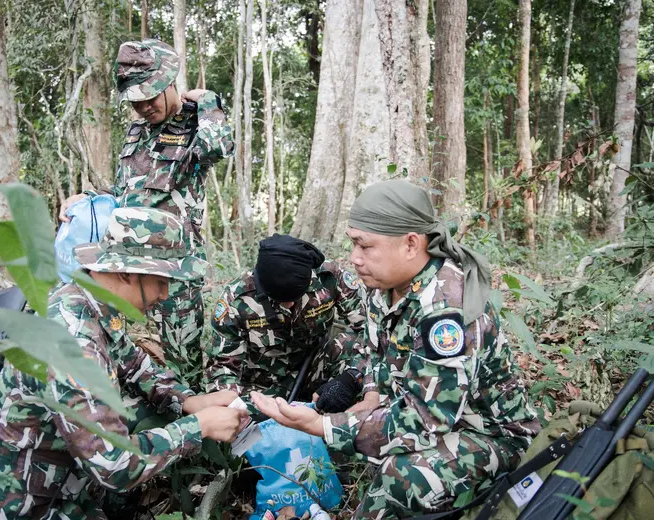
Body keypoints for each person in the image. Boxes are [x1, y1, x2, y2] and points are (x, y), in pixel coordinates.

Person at [250, 180, 541, 519]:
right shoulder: (383, 288)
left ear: (410, 244)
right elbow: (376, 358)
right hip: (434, 416)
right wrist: (370, 398)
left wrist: (320, 426)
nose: (354, 259)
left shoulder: (445, 311)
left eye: (365, 246)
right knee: (363, 435)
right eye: (352, 244)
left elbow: (424, 423)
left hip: (489, 434)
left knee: (400, 475)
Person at [0, 207, 247, 520]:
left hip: (63, 476)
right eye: (161, 281)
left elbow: (133, 362)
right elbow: (114, 464)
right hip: (23, 499)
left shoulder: (89, 300)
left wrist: (190, 400)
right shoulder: (72, 342)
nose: (165, 294)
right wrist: (200, 426)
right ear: (126, 273)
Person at [59, 39, 234, 366]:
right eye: (135, 101)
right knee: (112, 347)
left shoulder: (195, 123)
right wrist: (90, 199)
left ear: (169, 82)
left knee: (183, 361)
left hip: (172, 269)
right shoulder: (136, 130)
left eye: (149, 97)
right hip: (125, 268)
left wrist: (209, 101)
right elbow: (126, 190)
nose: (143, 107)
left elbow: (218, 148)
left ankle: (191, 409)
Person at [205, 234, 365, 402]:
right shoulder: (235, 300)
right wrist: (237, 407)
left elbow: (370, 329)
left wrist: (350, 378)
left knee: (348, 345)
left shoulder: (329, 277)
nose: (288, 305)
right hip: (261, 389)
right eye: (279, 300)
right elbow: (221, 371)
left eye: (295, 298)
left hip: (313, 371)